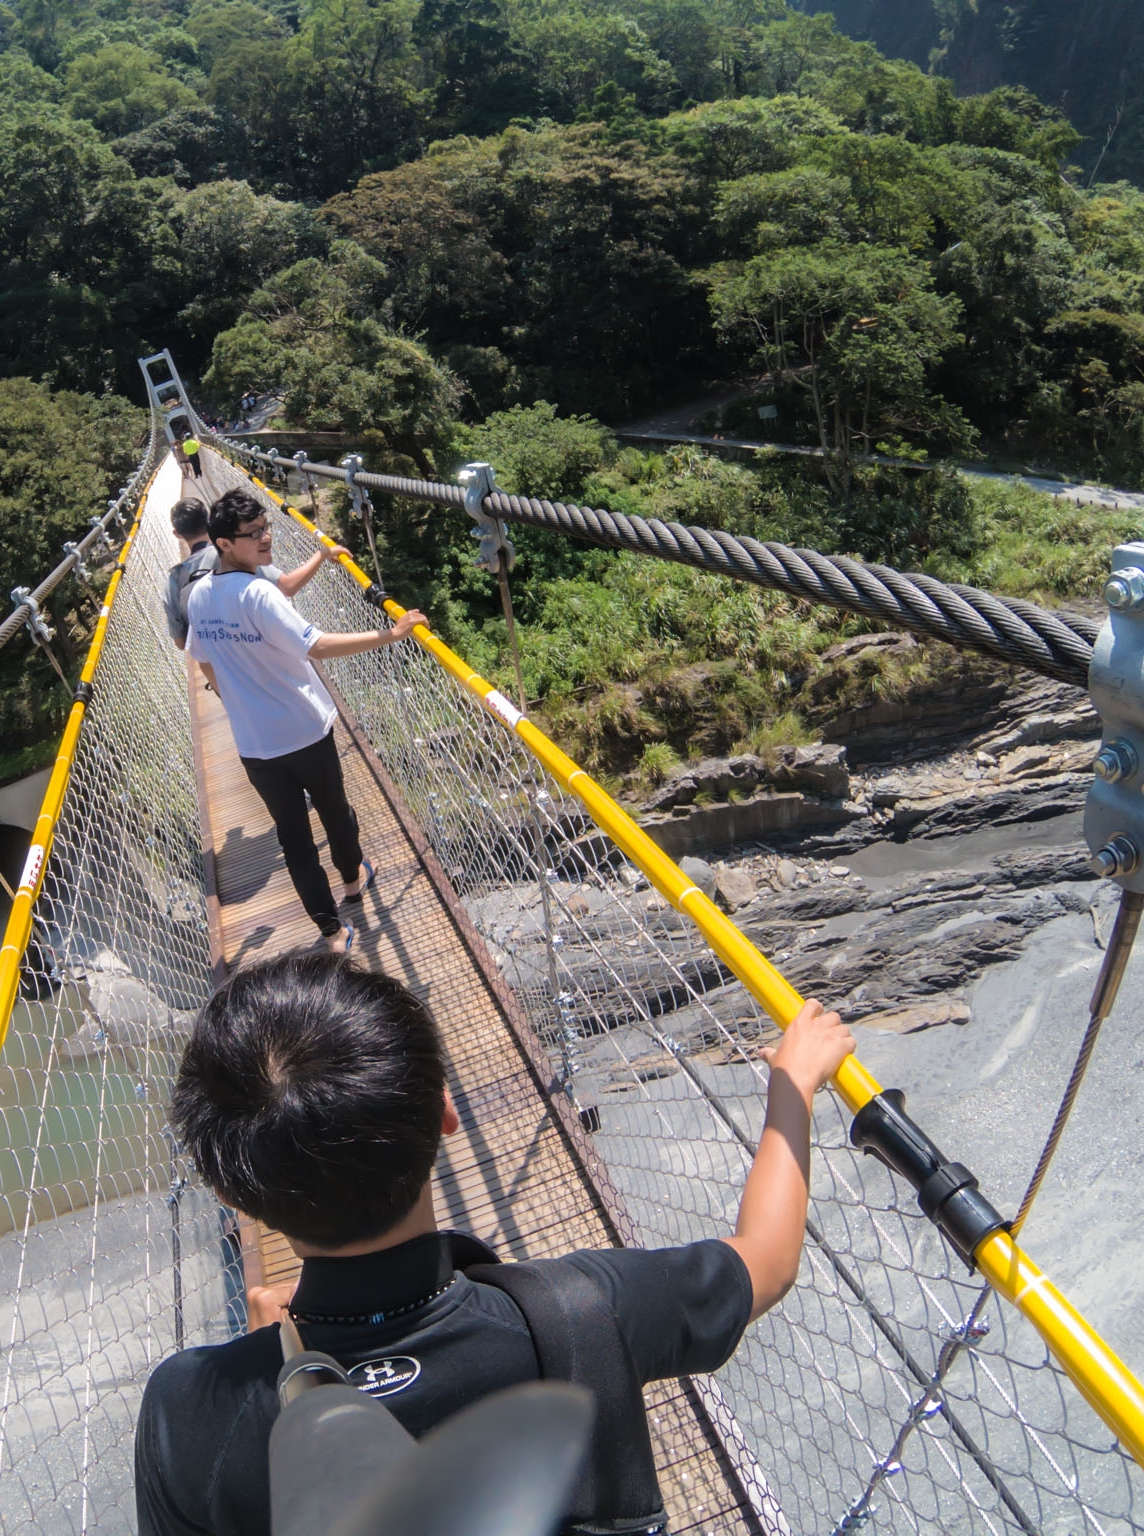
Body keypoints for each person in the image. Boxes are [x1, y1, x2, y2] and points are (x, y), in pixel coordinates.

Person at [135, 953, 857, 1536]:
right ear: (447, 1112)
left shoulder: (188, 1415)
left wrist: (273, 1371)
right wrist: (792, 1084)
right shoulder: (585, 1313)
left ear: (230, 1193)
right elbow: (768, 1257)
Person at [185, 489, 424, 953]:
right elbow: (315, 646)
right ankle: (353, 883)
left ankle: (332, 934)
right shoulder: (256, 593)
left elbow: (202, 658)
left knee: (294, 839)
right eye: (251, 534)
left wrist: (233, 696)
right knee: (334, 810)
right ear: (223, 544)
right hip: (305, 729)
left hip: (255, 745)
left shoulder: (199, 597)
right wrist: (390, 634)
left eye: (264, 527)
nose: (265, 538)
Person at [162, 494, 343, 651]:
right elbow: (288, 586)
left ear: (177, 533)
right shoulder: (235, 553)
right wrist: (321, 554)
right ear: (208, 521)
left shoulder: (175, 579)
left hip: (221, 666)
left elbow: (181, 642)